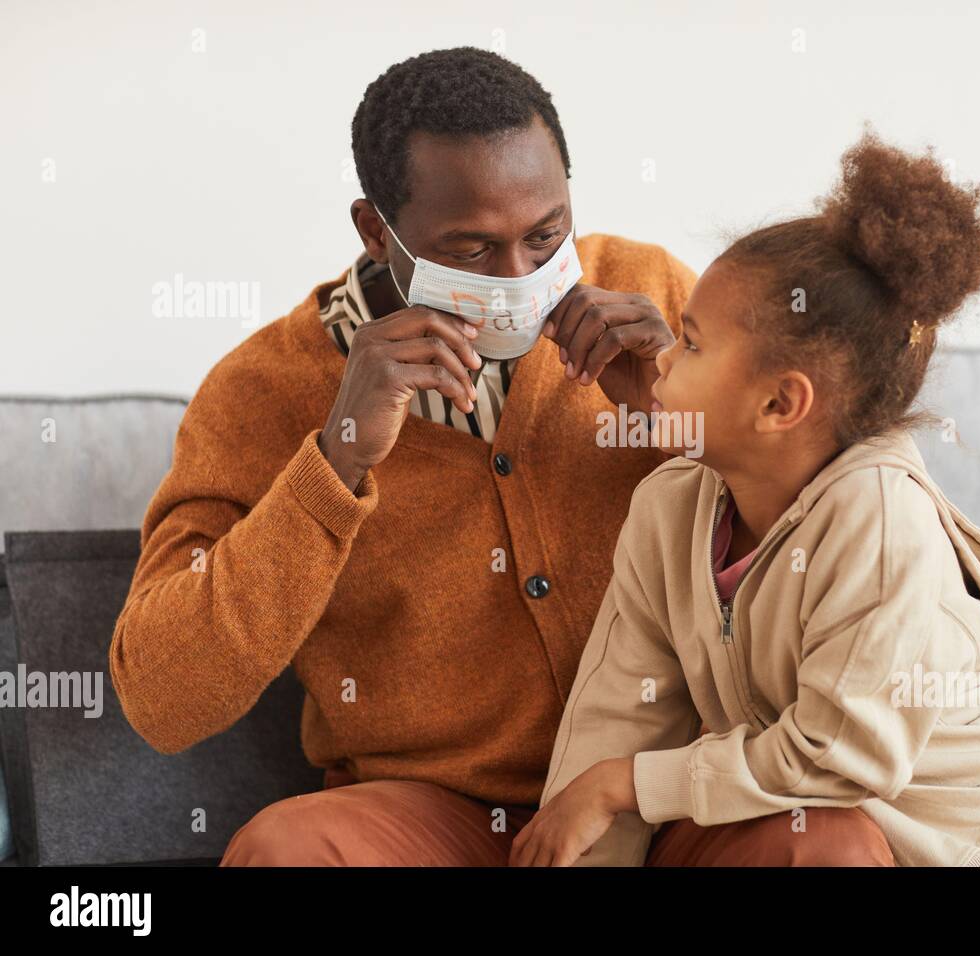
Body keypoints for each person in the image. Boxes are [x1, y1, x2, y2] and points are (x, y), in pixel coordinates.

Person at [109, 47, 893, 867]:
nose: (523, 276)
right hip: (432, 821)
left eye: (546, 234)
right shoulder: (260, 392)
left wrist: (684, 421)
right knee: (287, 849)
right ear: (378, 232)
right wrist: (334, 465)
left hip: (665, 793)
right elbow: (163, 697)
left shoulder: (661, 299)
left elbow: (847, 522)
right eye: (474, 251)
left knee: (829, 842)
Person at [513, 126, 980, 867]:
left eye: (691, 343)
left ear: (780, 405)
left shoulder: (879, 522)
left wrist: (623, 786)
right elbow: (618, 718)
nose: (661, 357)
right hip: (875, 845)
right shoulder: (670, 509)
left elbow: (835, 755)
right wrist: (582, 826)